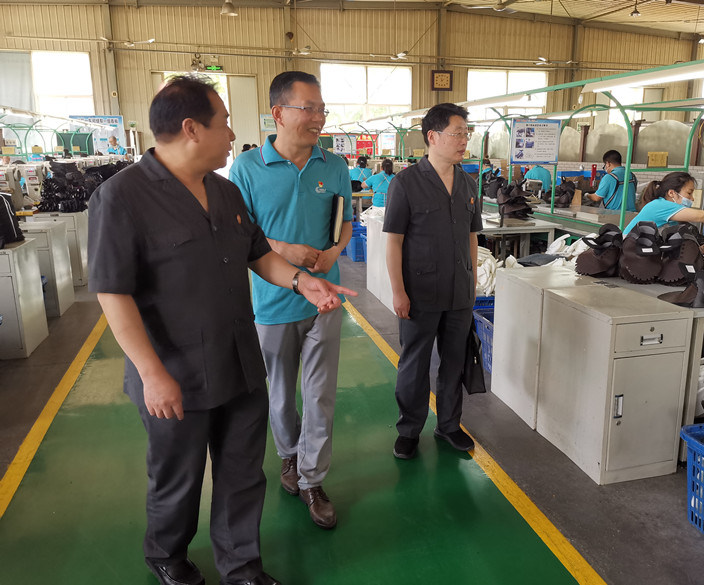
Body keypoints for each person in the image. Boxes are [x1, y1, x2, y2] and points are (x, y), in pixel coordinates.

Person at [88, 75, 354, 585]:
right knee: (178, 475)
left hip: (238, 361)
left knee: (242, 473)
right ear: (191, 128)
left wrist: (302, 282)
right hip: (175, 371)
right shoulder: (121, 197)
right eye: (224, 123)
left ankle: (242, 566)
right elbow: (113, 293)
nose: (232, 134)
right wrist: (151, 374)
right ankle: (167, 555)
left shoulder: (225, 191)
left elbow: (259, 255)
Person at [229, 71, 353, 530]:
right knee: (280, 393)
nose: (318, 118)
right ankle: (288, 455)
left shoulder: (334, 165)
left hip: (325, 298)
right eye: (309, 108)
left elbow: (344, 221)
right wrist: (285, 251)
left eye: (322, 109)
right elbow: (241, 235)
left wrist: (334, 253)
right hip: (273, 300)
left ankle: (312, 479)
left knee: (320, 394)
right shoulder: (246, 168)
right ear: (278, 113)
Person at [384, 102, 482, 460]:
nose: (464, 141)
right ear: (433, 136)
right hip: (419, 293)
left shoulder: (468, 183)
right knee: (414, 364)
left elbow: (472, 237)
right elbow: (393, 241)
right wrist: (398, 292)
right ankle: (409, 430)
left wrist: (472, 283)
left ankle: (449, 425)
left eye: (466, 134)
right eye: (457, 134)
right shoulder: (406, 183)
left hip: (458, 293)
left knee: (454, 362)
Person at [623, 171, 704, 236]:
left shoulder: (670, 213)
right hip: (631, 254)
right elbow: (701, 216)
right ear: (671, 193)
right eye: (689, 193)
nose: (692, 199)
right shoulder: (661, 205)